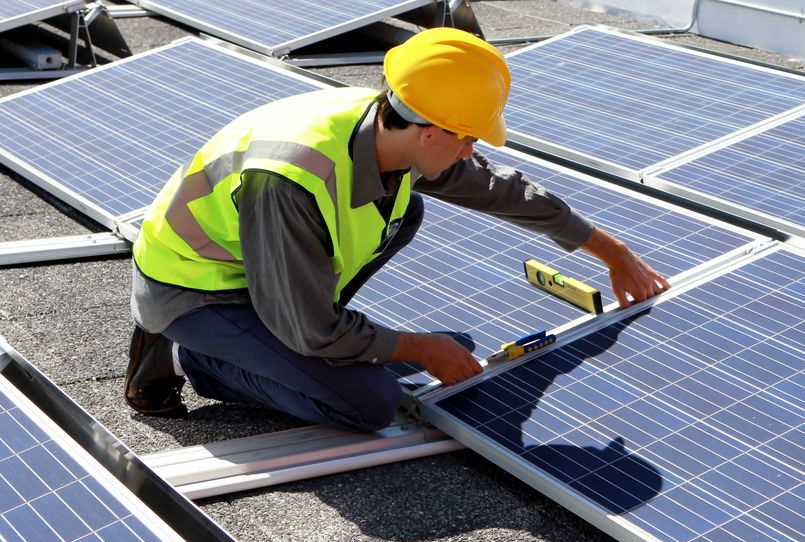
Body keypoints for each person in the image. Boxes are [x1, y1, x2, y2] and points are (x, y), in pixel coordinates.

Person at [125, 27, 669, 430]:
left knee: (406, 226)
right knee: (369, 403)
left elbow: (501, 189)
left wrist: (611, 251)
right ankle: (187, 356)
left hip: (267, 273)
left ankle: (268, 343)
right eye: (467, 138)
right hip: (195, 291)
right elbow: (312, 332)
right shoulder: (289, 179)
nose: (471, 150)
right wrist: (417, 348)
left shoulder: (389, 128)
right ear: (430, 130)